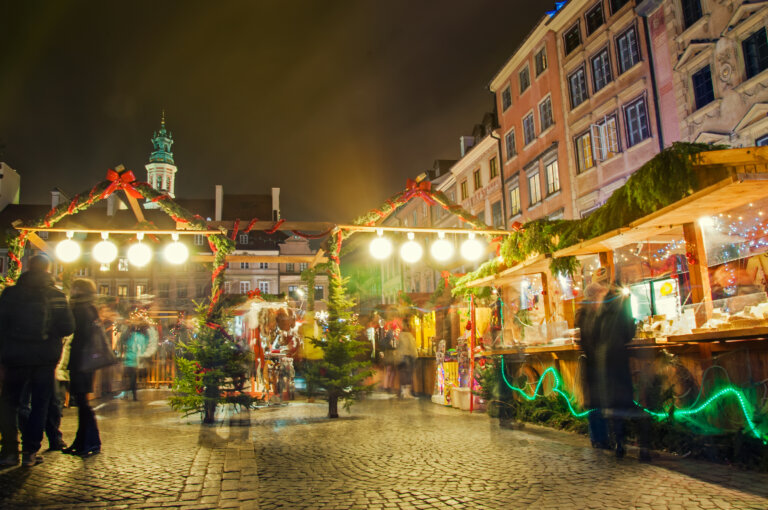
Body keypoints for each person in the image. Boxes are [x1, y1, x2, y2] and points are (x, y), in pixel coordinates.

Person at [0, 254, 75, 467]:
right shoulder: (56, 296)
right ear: (48, 269)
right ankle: (30, 452)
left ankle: (9, 450)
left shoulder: (11, 293)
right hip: (45, 359)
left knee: (9, 403)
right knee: (40, 404)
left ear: (26, 267)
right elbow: (69, 327)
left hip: (14, 357)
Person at [63, 279, 102, 456]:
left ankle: (90, 441)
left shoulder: (80, 309)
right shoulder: (90, 308)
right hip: (87, 361)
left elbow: (75, 332)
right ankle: (83, 441)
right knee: (82, 401)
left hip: (81, 360)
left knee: (82, 402)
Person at [576, 281, 610, 450]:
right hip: (595, 363)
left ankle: (598, 437)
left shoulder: (584, 312)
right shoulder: (590, 313)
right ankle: (599, 437)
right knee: (597, 402)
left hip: (594, 362)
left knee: (596, 402)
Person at [117, 315, 154, 401]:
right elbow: (145, 346)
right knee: (133, 378)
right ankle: (134, 395)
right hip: (136, 360)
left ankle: (125, 393)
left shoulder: (129, 336)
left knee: (126, 377)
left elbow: (123, 343)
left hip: (128, 359)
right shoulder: (142, 337)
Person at [395, 320, 417, 399]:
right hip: (408, 356)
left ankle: (403, 392)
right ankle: (407, 393)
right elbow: (412, 347)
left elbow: (396, 345)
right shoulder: (409, 335)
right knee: (408, 375)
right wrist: (415, 355)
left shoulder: (399, 335)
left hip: (401, 357)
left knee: (402, 374)